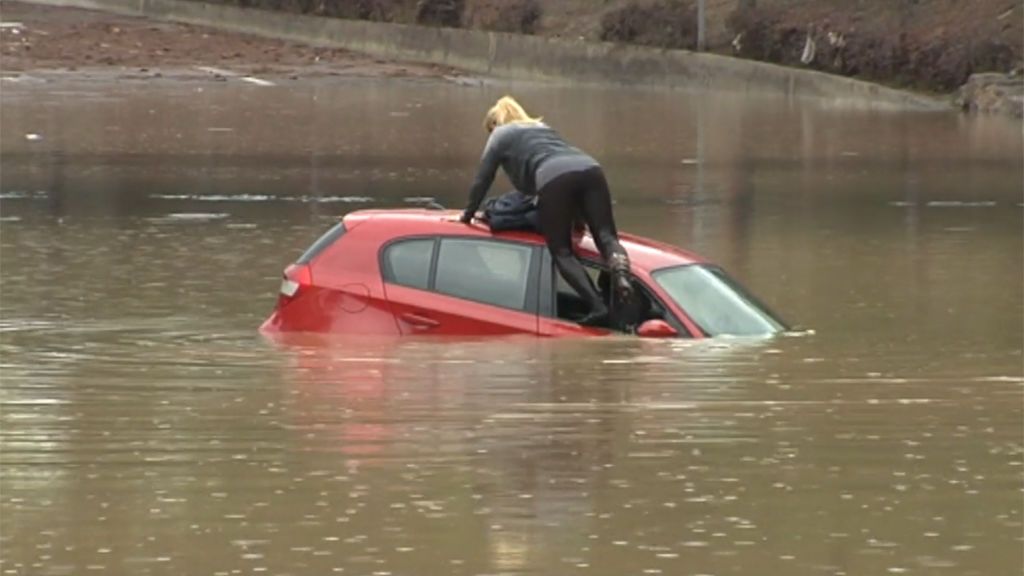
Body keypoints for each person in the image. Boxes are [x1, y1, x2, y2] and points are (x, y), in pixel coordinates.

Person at [458, 96, 631, 326]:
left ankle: (598, 305)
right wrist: (578, 224)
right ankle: (620, 275)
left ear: (493, 125)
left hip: (553, 176)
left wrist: (467, 215)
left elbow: (483, 179)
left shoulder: (500, 135)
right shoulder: (542, 128)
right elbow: (571, 175)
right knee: (607, 237)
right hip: (590, 168)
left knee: (561, 252)